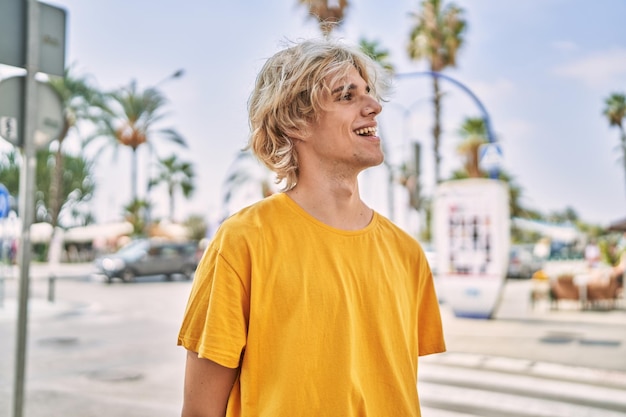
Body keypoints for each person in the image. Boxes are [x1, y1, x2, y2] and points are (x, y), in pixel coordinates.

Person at [177, 38, 446, 417]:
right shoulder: (242, 242)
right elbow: (201, 411)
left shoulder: (406, 252)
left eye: (368, 93)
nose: (374, 107)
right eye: (347, 96)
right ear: (295, 121)